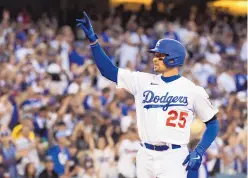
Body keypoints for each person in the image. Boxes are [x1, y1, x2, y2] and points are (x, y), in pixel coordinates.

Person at [75, 11, 221, 178]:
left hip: (174, 155)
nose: (154, 59)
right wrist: (94, 41)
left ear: (172, 59)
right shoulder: (142, 81)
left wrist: (200, 150)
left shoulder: (191, 90)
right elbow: (108, 70)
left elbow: (213, 124)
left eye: (159, 55)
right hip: (145, 153)